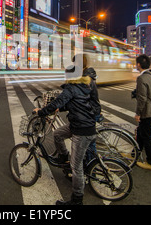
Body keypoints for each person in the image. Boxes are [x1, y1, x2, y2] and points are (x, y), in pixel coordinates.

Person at [33, 63, 97, 205]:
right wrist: (60, 108)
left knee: (76, 166)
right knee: (57, 134)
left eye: (66, 73)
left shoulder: (72, 88)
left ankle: (77, 199)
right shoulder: (82, 86)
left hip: (82, 129)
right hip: (79, 125)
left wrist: (42, 111)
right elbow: (73, 103)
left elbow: (58, 101)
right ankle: (63, 159)